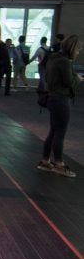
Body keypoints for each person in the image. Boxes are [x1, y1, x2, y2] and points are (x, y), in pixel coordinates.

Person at [38, 35, 83, 177]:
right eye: (78, 50)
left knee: (53, 131)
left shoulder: (53, 58)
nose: (78, 52)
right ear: (72, 48)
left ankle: (45, 161)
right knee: (60, 132)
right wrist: (78, 79)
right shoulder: (64, 61)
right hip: (61, 99)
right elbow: (69, 83)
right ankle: (59, 164)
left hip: (52, 98)